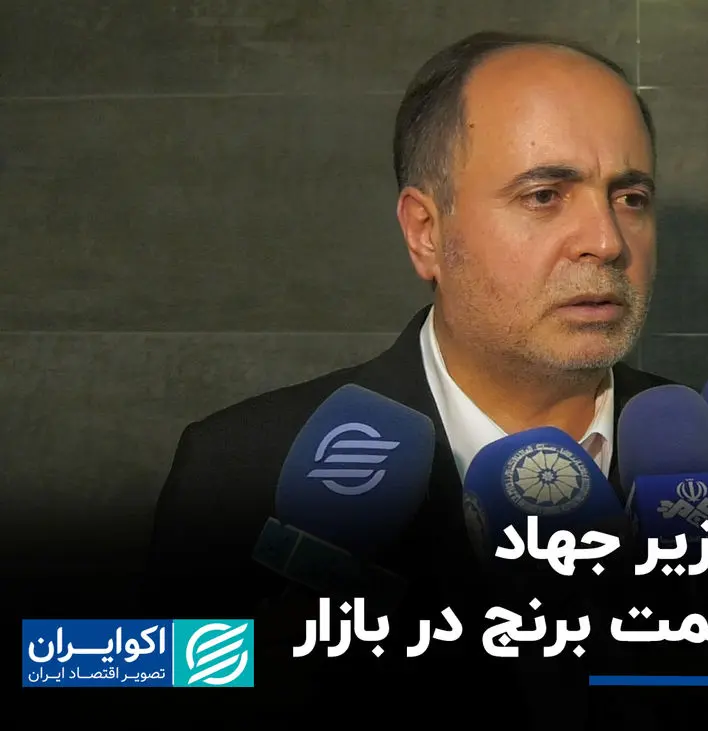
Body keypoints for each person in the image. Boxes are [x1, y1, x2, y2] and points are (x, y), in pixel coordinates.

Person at [142, 31, 672, 723]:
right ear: (426, 231)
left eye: (630, 197)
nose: (606, 240)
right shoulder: (240, 468)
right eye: (545, 195)